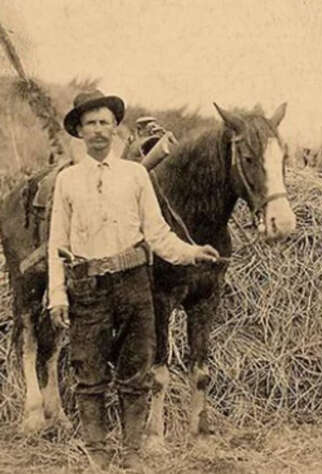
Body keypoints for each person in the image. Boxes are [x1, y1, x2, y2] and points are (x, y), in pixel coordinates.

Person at [48, 90, 219, 470]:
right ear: (79, 130)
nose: (98, 130)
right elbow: (57, 242)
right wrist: (57, 295)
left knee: (136, 373)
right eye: (90, 123)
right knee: (89, 375)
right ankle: (97, 455)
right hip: (88, 286)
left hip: (134, 283)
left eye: (104, 122)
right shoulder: (68, 181)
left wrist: (191, 252)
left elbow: (157, 235)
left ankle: (132, 453)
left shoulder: (136, 174)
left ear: (115, 128)